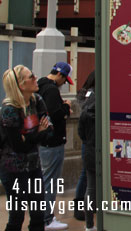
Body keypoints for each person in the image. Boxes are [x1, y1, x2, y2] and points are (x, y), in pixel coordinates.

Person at [1, 65, 52, 231]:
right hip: (13, 169)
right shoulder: (9, 110)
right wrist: (38, 133)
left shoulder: (36, 100)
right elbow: (18, 146)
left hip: (33, 166)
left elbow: (49, 129)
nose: (36, 78)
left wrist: (29, 137)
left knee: (38, 213)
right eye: (31, 76)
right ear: (21, 85)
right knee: (17, 216)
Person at [37, 61, 73, 231]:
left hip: (43, 141)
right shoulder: (51, 90)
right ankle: (47, 219)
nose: (64, 84)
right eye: (65, 80)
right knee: (50, 181)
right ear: (60, 75)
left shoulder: (40, 85)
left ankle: (42, 216)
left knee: (44, 180)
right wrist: (66, 107)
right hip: (52, 142)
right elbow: (56, 114)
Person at [73, 70, 95, 222]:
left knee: (86, 175)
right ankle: (82, 208)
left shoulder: (84, 95)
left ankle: (82, 208)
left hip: (87, 142)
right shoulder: (94, 97)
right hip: (91, 142)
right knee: (87, 177)